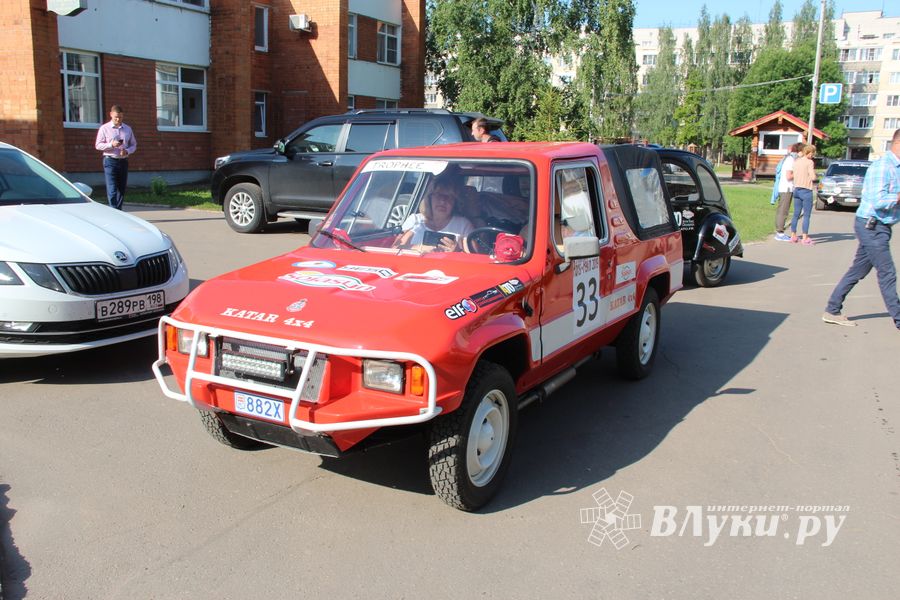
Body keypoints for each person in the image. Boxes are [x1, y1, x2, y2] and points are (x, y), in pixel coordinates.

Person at [823, 128, 900, 330]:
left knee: (858, 270)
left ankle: (832, 309)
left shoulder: (896, 168)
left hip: (879, 226)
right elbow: (878, 201)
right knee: (887, 272)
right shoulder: (883, 167)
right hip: (872, 225)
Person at [394, 177, 473, 251]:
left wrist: (457, 251)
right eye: (438, 195)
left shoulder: (463, 225)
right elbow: (395, 249)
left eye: (449, 197)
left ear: (455, 202)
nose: (443, 201)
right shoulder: (414, 220)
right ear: (429, 198)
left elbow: (474, 259)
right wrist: (421, 248)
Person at [95, 105, 137, 210]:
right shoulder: (104, 128)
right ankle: (113, 211)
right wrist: (111, 145)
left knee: (121, 189)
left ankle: (118, 211)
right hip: (110, 161)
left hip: (123, 161)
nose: (118, 119)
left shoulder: (127, 129)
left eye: (120, 117)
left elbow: (134, 145)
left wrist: (127, 151)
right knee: (112, 189)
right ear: (111, 115)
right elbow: (98, 145)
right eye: (116, 117)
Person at [788, 144, 817, 245]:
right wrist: (814, 175)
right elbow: (813, 177)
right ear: (809, 152)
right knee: (806, 215)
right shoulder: (809, 162)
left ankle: (793, 235)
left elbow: (794, 174)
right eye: (813, 153)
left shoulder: (796, 161)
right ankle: (805, 237)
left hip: (796, 189)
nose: (813, 155)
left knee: (796, 214)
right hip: (806, 190)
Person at [774, 143, 801, 241]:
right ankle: (779, 233)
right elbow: (789, 176)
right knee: (783, 211)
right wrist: (798, 172)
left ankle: (779, 232)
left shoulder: (789, 159)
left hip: (786, 188)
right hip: (787, 188)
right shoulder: (790, 160)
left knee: (782, 210)